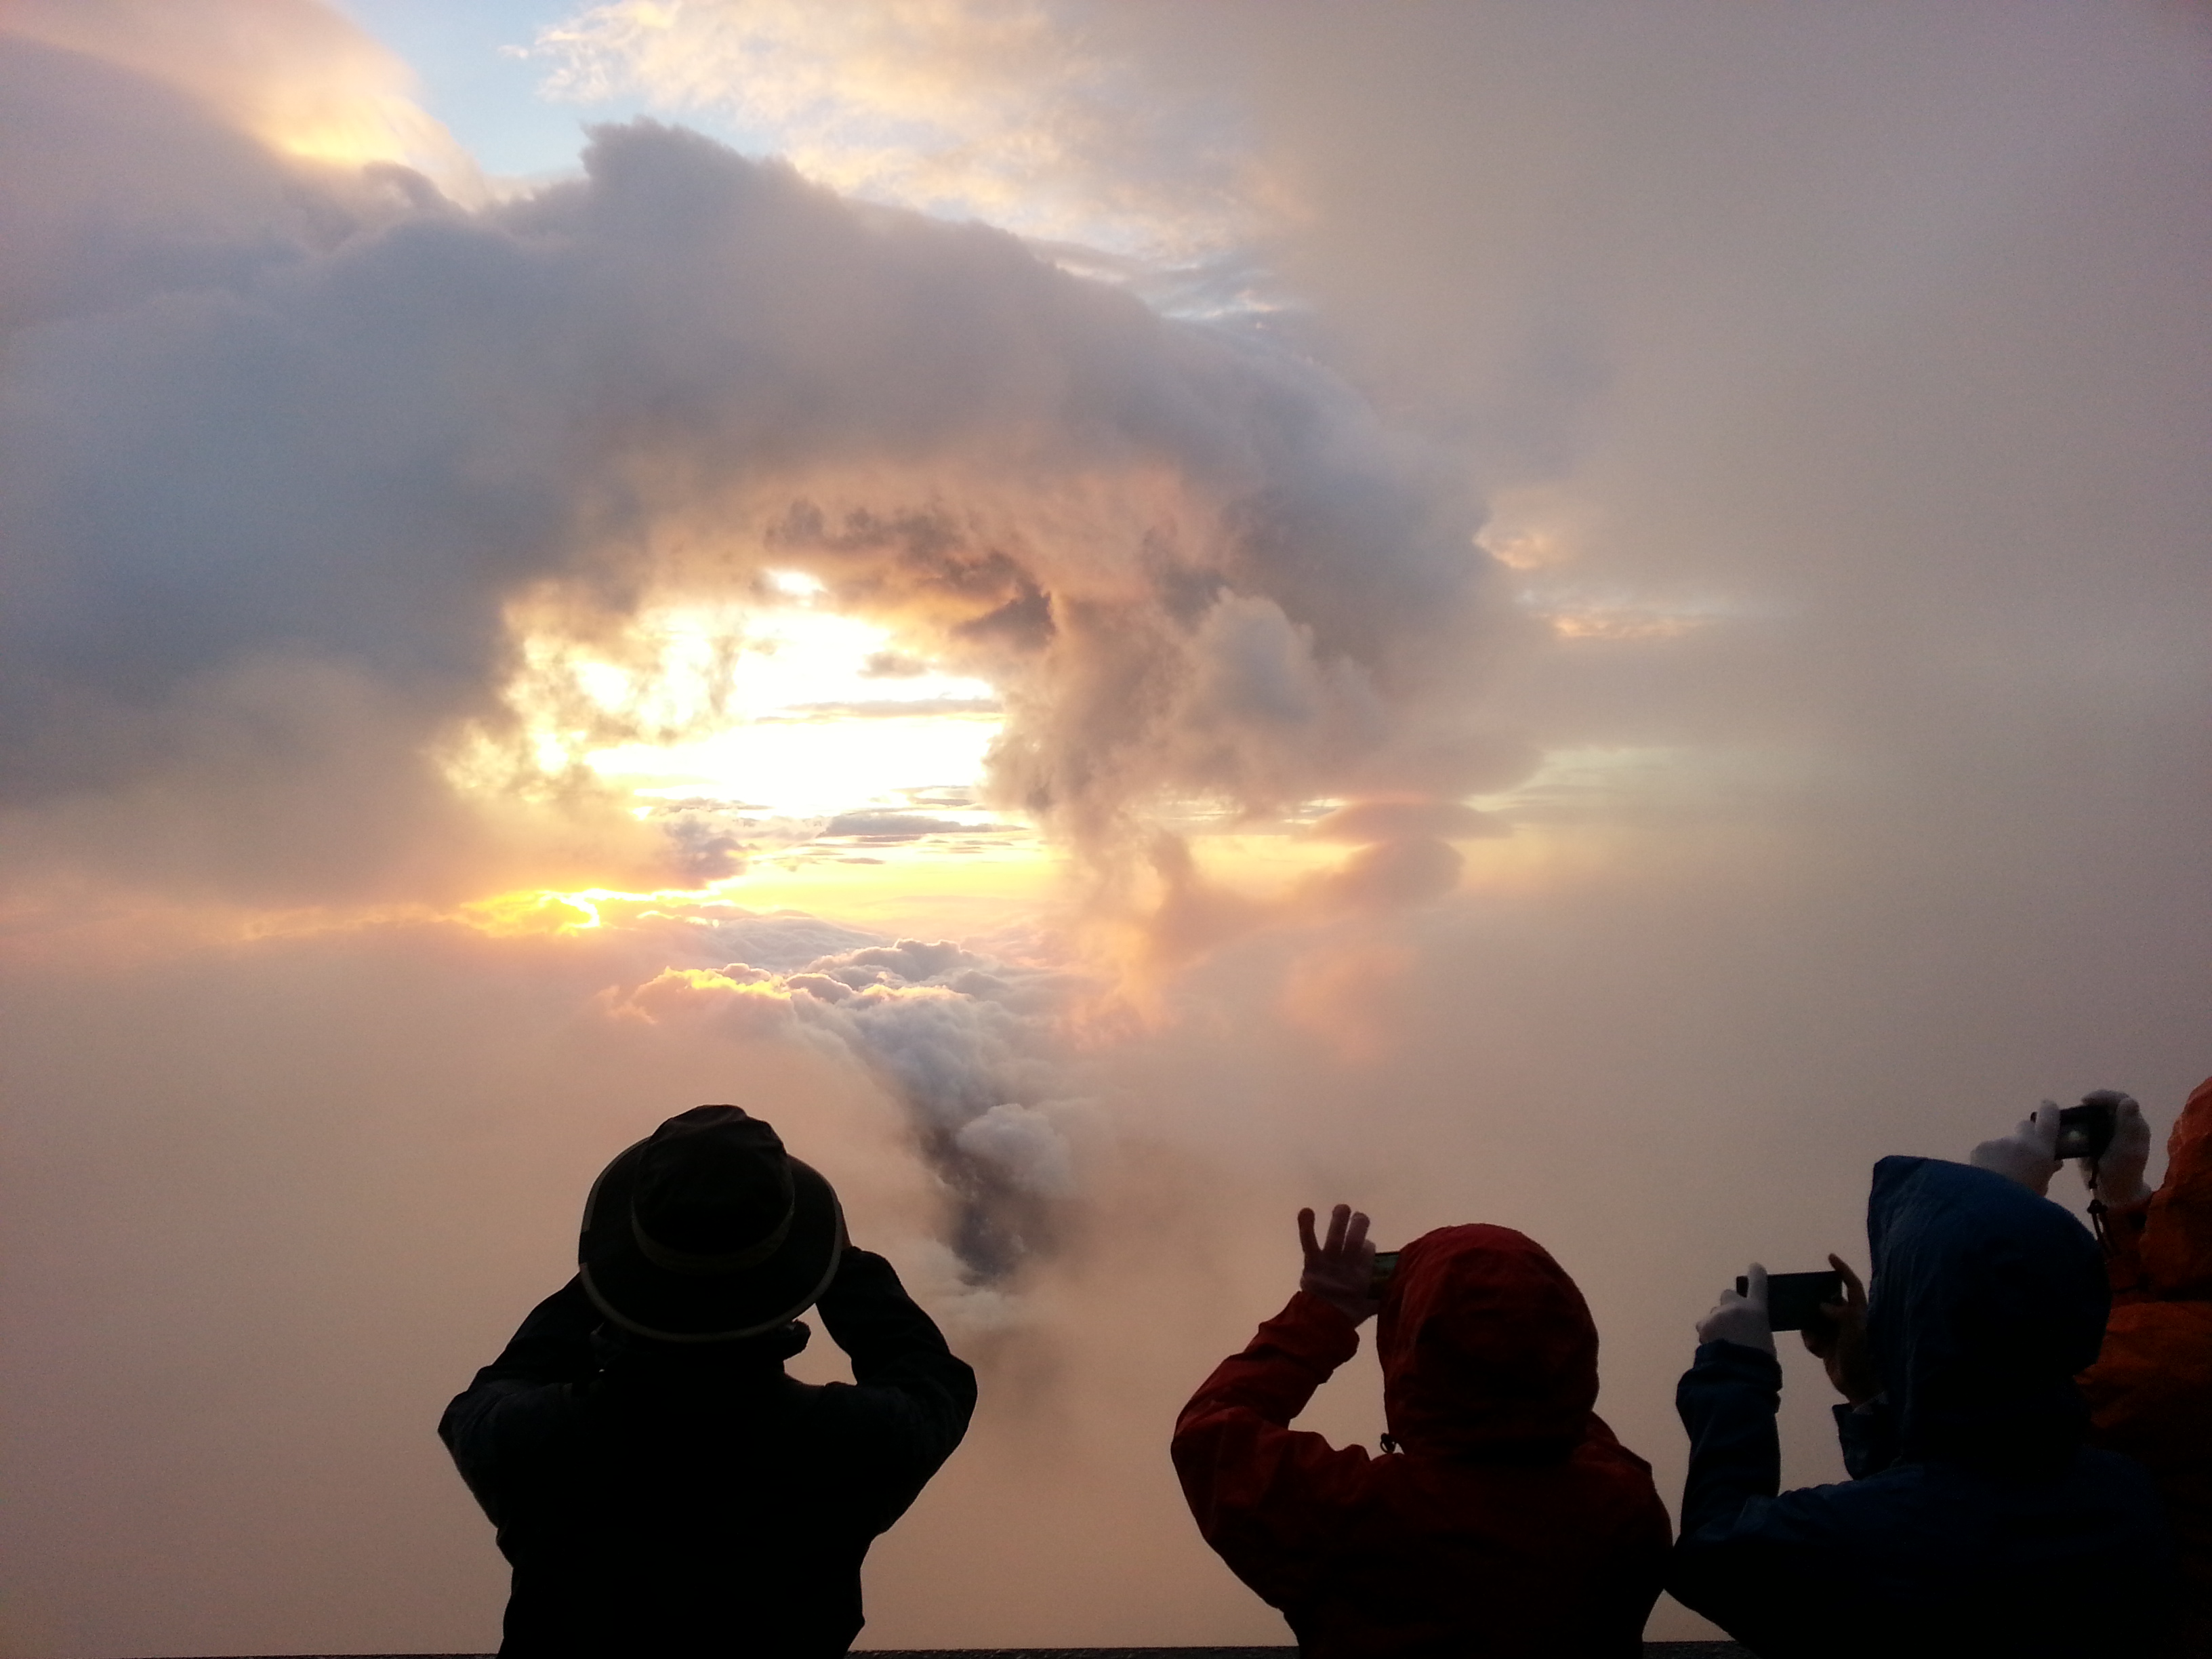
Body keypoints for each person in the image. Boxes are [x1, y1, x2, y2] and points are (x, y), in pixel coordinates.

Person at [440, 1105, 977, 1658]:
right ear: (794, 1276)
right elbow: (932, 1382)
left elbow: (495, 1391)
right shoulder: (850, 1443)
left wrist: (606, 1278)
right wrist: (843, 1268)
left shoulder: (530, 1442)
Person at [1671, 1154, 2176, 1658]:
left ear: (1917, 1311)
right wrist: (1870, 1394)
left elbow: (1714, 1556)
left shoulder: (1882, 1532)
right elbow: (1949, 1497)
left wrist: (1735, 1371)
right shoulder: (2128, 1496)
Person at [1171, 1204, 1671, 1658]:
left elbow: (1210, 1434)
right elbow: (1537, 1386)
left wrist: (1323, 1310)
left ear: (1413, 1351)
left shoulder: (1350, 1514)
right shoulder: (1627, 1507)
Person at [1973, 1082, 2212, 1655]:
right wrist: (2124, 1201)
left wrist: (1991, 1217)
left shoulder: (2163, 1366)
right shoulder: (2178, 1345)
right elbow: (2160, 1334)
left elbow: (1977, 1408)